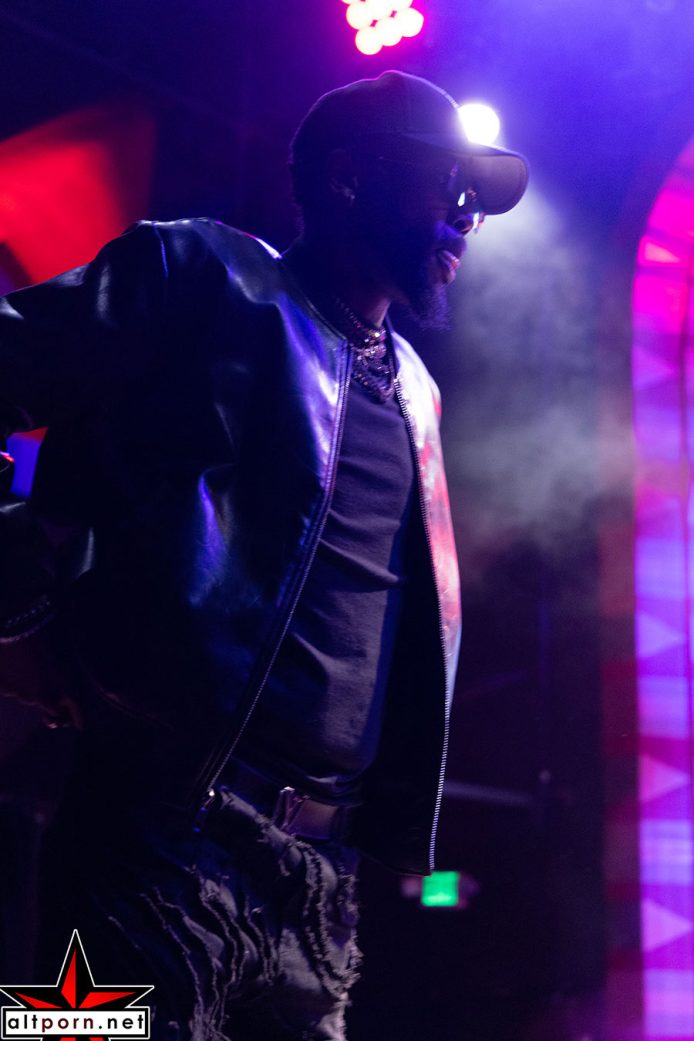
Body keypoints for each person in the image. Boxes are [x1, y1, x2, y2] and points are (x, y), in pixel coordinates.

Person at [0, 71, 528, 1040]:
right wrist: (18, 605)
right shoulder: (202, 274)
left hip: (315, 889)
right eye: (448, 185)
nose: (467, 217)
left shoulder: (414, 389)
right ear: (348, 179)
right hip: (153, 843)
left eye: (477, 199)